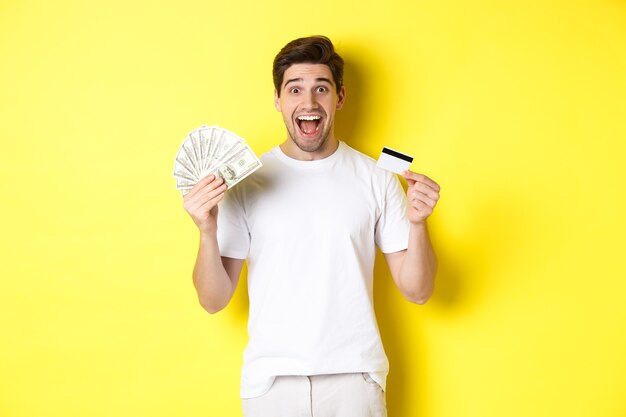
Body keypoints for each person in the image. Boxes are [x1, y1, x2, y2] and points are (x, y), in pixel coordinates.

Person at [182, 35, 440, 417]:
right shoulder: (246, 181)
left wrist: (418, 225)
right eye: (295, 89)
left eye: (321, 88)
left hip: (355, 378)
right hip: (272, 383)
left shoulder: (376, 178)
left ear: (339, 97)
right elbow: (213, 299)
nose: (308, 102)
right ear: (278, 100)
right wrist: (205, 229)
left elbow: (418, 291)